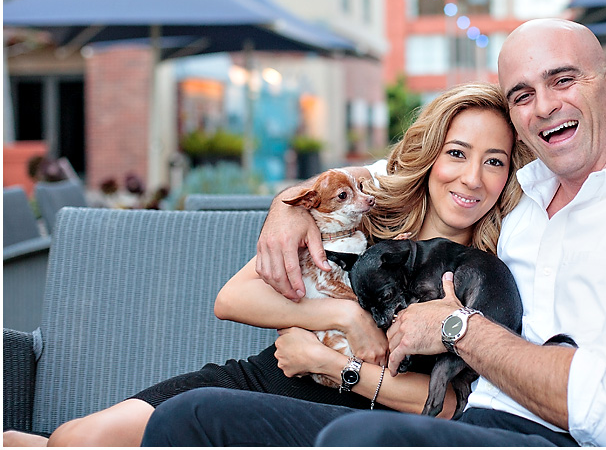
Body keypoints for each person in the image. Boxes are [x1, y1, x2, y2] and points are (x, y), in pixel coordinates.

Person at [142, 18, 606, 447]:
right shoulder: (520, 198)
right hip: (453, 424)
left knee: (360, 439)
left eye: (564, 80)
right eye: (523, 95)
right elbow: (400, 173)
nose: (544, 106)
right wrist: (291, 203)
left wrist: (457, 327)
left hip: (553, 440)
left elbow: (604, 416)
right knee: (191, 421)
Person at [3, 82, 531, 447]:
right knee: (75, 439)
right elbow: (233, 298)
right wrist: (343, 317)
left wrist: (333, 366)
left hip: (346, 416)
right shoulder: (361, 220)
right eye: (457, 153)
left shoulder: (480, 274)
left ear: (509, 174)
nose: (472, 179)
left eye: (494, 161)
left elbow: (443, 405)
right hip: (262, 378)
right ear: (431, 154)